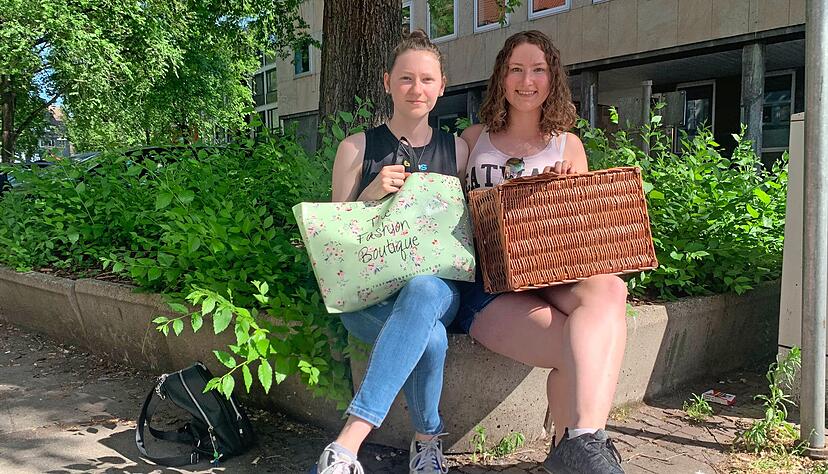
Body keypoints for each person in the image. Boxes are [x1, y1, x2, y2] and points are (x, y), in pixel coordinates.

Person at [458, 30, 628, 474]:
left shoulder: (567, 144)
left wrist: (564, 188)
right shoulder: (473, 139)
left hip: (554, 268)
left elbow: (583, 230)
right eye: (516, 69)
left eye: (538, 69)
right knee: (581, 351)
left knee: (611, 290)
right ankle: (574, 450)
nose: (526, 80)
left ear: (552, 79)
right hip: (491, 281)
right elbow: (440, 203)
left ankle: (583, 438)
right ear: (501, 77)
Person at [311, 29, 469, 474]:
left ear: (442, 86)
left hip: (437, 292)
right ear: (386, 82)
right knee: (431, 337)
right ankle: (427, 440)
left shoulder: (456, 150)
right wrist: (367, 196)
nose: (416, 89)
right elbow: (335, 240)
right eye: (405, 79)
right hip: (367, 298)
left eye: (426, 80)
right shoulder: (357, 148)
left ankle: (345, 447)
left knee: (422, 289)